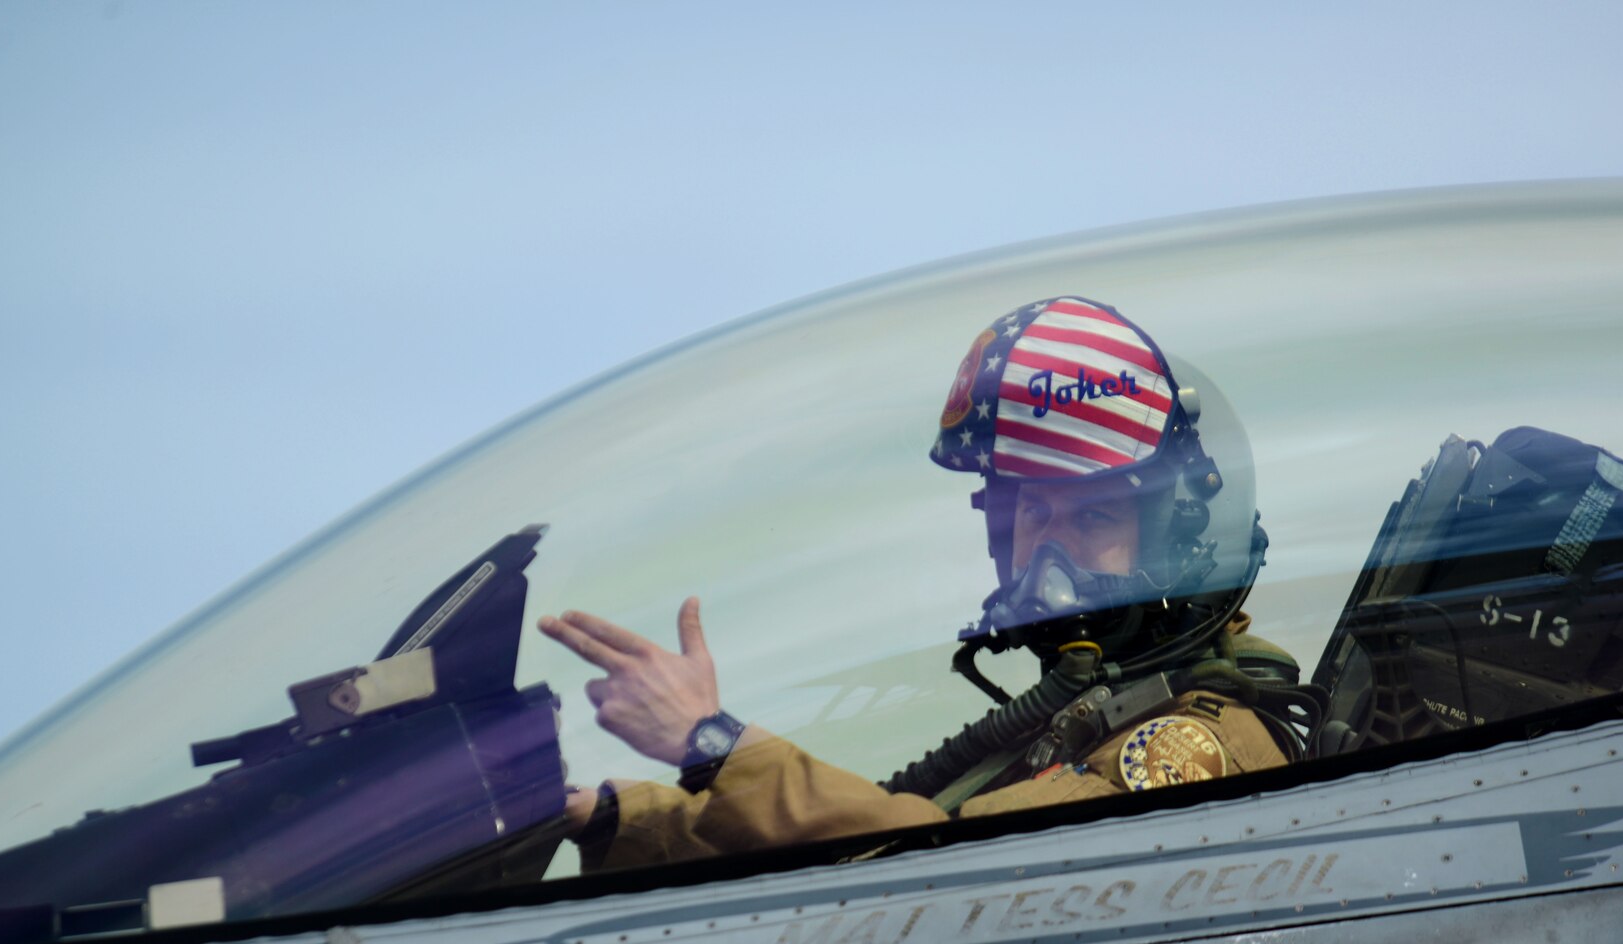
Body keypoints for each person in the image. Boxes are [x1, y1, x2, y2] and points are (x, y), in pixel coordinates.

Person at [541, 297, 1301, 872]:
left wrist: (712, 743)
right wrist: (612, 818)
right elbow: (853, 833)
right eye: (1033, 513)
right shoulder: (1089, 718)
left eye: (1094, 514)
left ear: (1172, 533)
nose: (1050, 557)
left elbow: (936, 875)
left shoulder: (1197, 747)